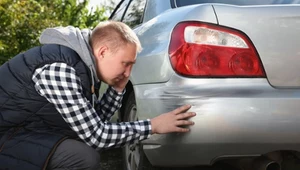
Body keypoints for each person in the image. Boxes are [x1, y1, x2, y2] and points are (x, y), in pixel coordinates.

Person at [0, 21, 196, 170]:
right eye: (125, 63)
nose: (128, 73)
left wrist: (117, 89)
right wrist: (153, 125)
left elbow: (93, 121)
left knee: (84, 150)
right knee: (82, 156)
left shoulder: (84, 67)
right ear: (102, 52)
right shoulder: (61, 71)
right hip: (6, 138)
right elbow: (96, 135)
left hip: (23, 133)